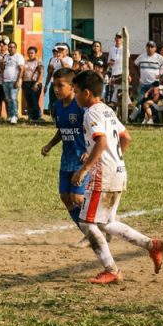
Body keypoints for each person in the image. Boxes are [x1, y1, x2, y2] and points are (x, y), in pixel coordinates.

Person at [70, 70, 163, 284]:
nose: (74, 96)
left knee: (87, 223)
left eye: (76, 92)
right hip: (118, 171)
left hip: (103, 175)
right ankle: (151, 245)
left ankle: (111, 270)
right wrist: (113, 158)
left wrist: (84, 169)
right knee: (106, 222)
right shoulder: (107, 110)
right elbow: (126, 137)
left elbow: (102, 142)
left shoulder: (91, 112)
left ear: (86, 93)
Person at [40, 68, 90, 241]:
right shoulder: (57, 107)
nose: (56, 89)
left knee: (77, 197)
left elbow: (94, 130)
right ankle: (88, 233)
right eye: (54, 86)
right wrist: (50, 144)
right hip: (66, 160)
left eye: (60, 86)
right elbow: (62, 130)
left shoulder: (81, 106)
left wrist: (88, 150)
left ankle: (99, 227)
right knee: (65, 197)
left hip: (81, 159)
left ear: (72, 86)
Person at [2, 41, 25, 124]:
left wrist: (18, 80)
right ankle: (10, 115)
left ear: (16, 48)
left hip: (14, 81)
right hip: (6, 81)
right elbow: (3, 68)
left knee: (13, 98)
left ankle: (15, 116)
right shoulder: (6, 56)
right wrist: (2, 62)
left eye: (13, 47)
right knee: (8, 99)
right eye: (10, 47)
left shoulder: (19, 57)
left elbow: (21, 69)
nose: (11, 49)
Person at [21, 46, 44, 122]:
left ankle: (37, 117)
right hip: (26, 83)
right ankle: (30, 117)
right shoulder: (25, 62)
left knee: (34, 100)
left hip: (35, 83)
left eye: (32, 53)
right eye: (29, 53)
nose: (30, 54)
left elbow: (41, 73)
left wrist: (37, 83)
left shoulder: (38, 62)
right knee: (29, 101)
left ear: (35, 53)